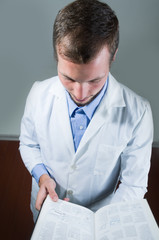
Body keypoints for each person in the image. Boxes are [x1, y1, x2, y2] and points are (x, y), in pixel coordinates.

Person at [19, 0, 153, 222]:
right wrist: (42, 176)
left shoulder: (138, 112)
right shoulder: (38, 94)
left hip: (98, 224)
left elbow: (134, 185)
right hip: (46, 216)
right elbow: (29, 144)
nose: (80, 93)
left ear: (113, 56)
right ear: (56, 55)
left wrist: (90, 219)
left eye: (95, 80)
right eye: (69, 78)